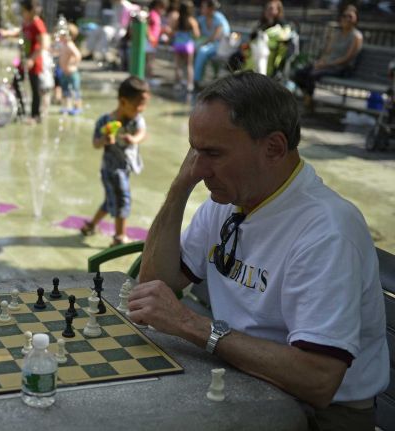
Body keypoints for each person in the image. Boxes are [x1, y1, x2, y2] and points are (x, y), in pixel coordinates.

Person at [127, 72, 388, 430]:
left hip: (317, 414)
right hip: (242, 379)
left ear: (274, 148)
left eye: (213, 153)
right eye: (195, 152)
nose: (199, 169)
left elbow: (319, 379)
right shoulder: (230, 199)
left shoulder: (327, 231)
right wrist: (178, 189)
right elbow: (154, 289)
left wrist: (192, 324)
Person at [80, 76, 149, 246]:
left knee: (110, 200)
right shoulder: (105, 121)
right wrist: (104, 139)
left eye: (144, 104)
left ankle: (90, 225)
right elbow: (95, 144)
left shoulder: (136, 119)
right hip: (111, 169)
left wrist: (134, 139)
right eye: (138, 105)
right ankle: (119, 237)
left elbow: (142, 132)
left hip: (126, 167)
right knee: (122, 198)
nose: (142, 109)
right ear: (123, 102)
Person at [293, 5, 363, 112]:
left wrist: (326, 64)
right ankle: (308, 98)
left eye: (350, 16)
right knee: (299, 73)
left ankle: (308, 104)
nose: (347, 19)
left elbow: (347, 58)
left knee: (313, 75)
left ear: (356, 19)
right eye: (344, 16)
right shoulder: (337, 33)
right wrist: (321, 61)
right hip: (327, 64)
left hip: (342, 67)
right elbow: (327, 52)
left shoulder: (356, 36)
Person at [3, 0, 47, 123]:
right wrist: (6, 33)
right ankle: (20, 111)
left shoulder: (37, 24)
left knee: (35, 88)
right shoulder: (26, 22)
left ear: (30, 10)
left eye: (23, 11)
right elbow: (20, 32)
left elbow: (42, 44)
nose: (21, 13)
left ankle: (35, 115)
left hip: (34, 62)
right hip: (23, 61)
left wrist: (32, 59)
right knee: (16, 84)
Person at [230, 0, 293, 77]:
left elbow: (284, 40)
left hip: (267, 65)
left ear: (278, 10)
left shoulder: (283, 28)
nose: (268, 11)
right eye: (266, 8)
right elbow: (251, 44)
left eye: (271, 9)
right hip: (250, 64)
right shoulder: (260, 26)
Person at [193, 0, 230, 86]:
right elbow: (195, 27)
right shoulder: (202, 18)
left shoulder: (219, 19)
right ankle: (200, 76)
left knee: (202, 51)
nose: (201, 9)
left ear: (210, 9)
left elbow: (215, 37)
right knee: (195, 47)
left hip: (220, 45)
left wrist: (202, 43)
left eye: (204, 7)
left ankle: (196, 79)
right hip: (210, 44)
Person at [170, 0, 199, 92]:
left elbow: (172, 32)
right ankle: (189, 85)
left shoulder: (176, 19)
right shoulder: (192, 21)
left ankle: (177, 84)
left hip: (178, 44)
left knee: (178, 65)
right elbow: (196, 34)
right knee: (189, 65)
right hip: (188, 46)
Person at [57, 22, 83, 115]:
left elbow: (78, 55)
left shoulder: (69, 44)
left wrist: (72, 65)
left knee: (75, 91)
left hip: (71, 72)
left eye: (63, 34)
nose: (60, 35)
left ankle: (78, 107)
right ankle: (66, 107)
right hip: (64, 72)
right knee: (65, 91)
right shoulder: (64, 45)